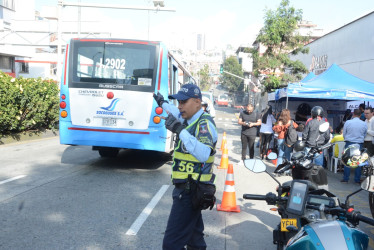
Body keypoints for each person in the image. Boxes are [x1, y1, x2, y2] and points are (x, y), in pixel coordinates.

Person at [153, 83, 217, 250]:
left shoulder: (204, 124)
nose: (179, 106)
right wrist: (162, 103)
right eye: (178, 102)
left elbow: (204, 153)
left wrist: (180, 130)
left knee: (171, 244)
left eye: (183, 102)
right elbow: (174, 112)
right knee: (195, 241)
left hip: (190, 191)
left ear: (197, 102)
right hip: (190, 190)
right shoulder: (188, 118)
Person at [341, 109, 367, 183]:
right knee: (358, 161)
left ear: (353, 114)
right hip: (359, 144)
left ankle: (346, 178)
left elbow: (344, 133)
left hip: (349, 142)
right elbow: (364, 134)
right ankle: (357, 179)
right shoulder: (363, 123)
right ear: (360, 115)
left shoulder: (348, 122)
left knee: (347, 160)